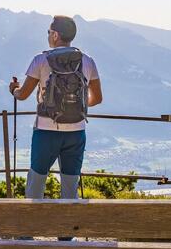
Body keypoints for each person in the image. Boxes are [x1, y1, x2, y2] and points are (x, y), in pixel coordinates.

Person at [9, 15, 103, 199]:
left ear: (55, 35)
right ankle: (68, 227)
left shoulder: (41, 60)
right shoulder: (87, 61)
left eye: (49, 32)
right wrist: (78, 106)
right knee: (70, 187)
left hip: (46, 130)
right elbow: (97, 98)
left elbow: (23, 95)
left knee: (36, 184)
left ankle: (35, 226)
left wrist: (13, 89)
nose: (48, 35)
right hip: (76, 131)